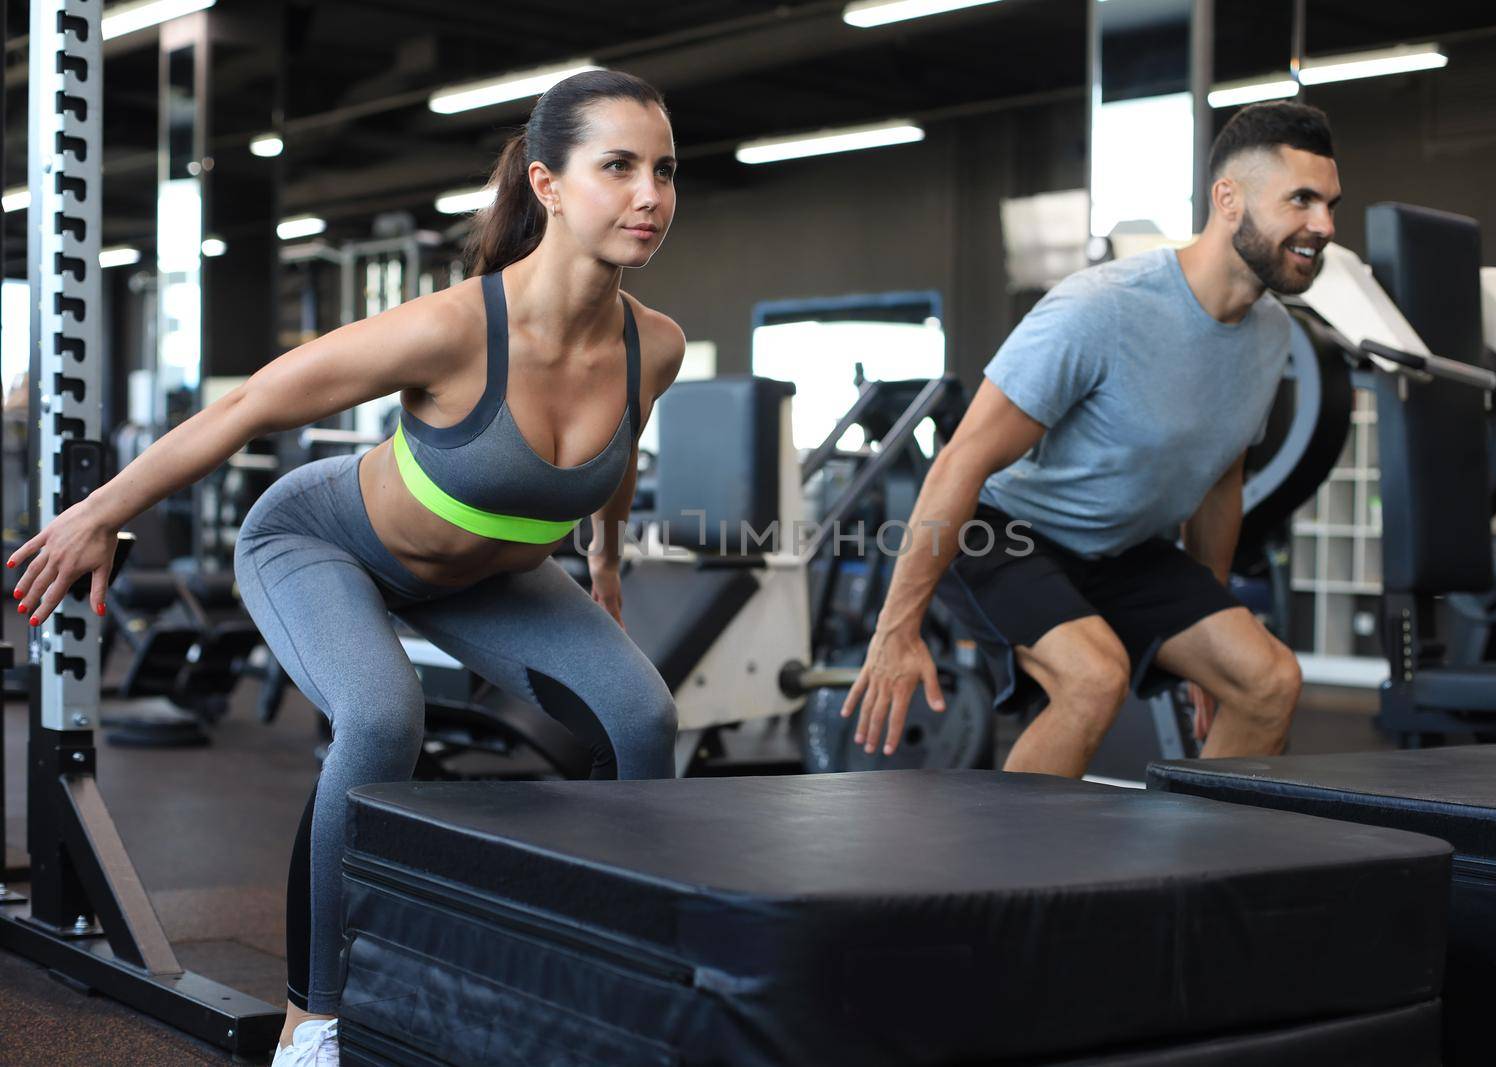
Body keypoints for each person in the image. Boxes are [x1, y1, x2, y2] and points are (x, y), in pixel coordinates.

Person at [7, 70, 685, 1066]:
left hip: (488, 578)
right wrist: (99, 513)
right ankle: (313, 1016)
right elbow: (248, 408)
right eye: (618, 167)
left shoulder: (652, 345)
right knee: (381, 712)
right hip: (320, 543)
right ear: (546, 183)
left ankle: (620, 987)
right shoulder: (454, 328)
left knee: (644, 715)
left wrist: (607, 567)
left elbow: (617, 462)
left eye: (665, 170)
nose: (650, 195)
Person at [842, 102, 1341, 778]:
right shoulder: (1101, 308)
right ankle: (1015, 882)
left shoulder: (1272, 335)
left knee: (1268, 679)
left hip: (1121, 550)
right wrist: (896, 628)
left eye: (1330, 204)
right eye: (1302, 200)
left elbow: (1221, 479)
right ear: (1230, 199)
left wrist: (1211, 624)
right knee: (1092, 677)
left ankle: (1202, 873)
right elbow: (964, 457)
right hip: (1002, 534)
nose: (1325, 226)